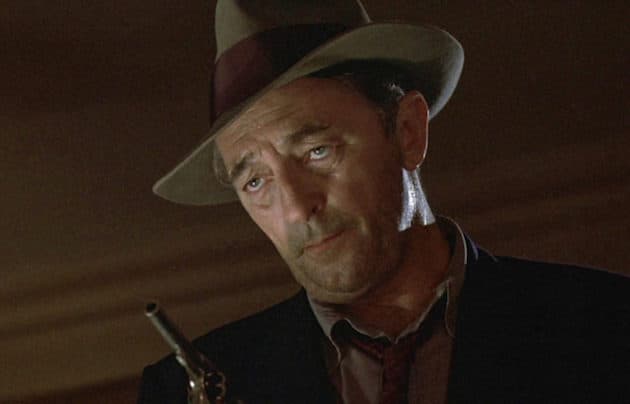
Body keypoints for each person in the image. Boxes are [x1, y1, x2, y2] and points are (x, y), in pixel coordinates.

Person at [138, 1, 629, 403]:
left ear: (408, 131)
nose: (295, 208)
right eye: (255, 182)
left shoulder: (605, 325)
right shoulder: (183, 391)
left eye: (316, 152)